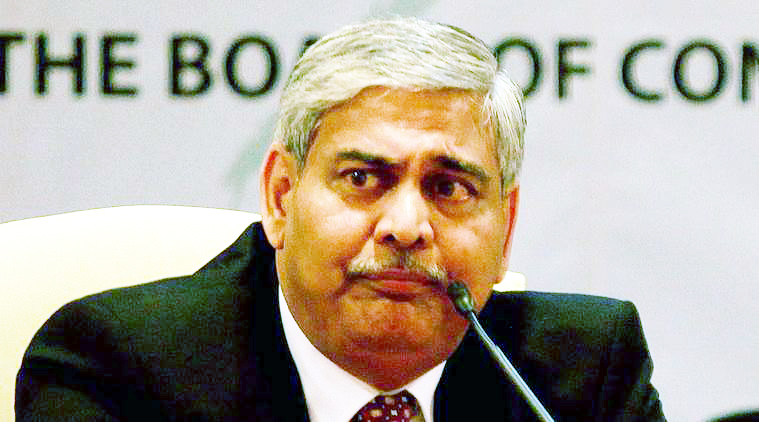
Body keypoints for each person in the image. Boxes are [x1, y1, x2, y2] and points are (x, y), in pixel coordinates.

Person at [15, 17, 665, 421]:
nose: (407, 226)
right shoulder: (117, 368)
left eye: (449, 187)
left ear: (506, 225)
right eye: (363, 178)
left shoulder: (582, 373)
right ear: (280, 198)